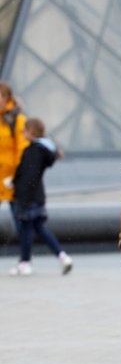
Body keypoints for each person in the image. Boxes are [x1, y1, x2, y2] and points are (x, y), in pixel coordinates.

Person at [7, 118, 73, 276]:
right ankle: (63, 256)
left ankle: (25, 263)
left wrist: (16, 186)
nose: (22, 133)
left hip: (28, 196)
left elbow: (28, 175)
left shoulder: (33, 151)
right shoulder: (43, 150)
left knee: (26, 229)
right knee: (38, 228)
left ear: (31, 132)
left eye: (24, 130)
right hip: (37, 195)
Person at [0, 82, 28, 240]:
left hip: (12, 178)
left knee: (20, 220)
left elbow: (22, 150)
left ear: (7, 98)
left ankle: (26, 259)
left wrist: (18, 175)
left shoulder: (17, 120)